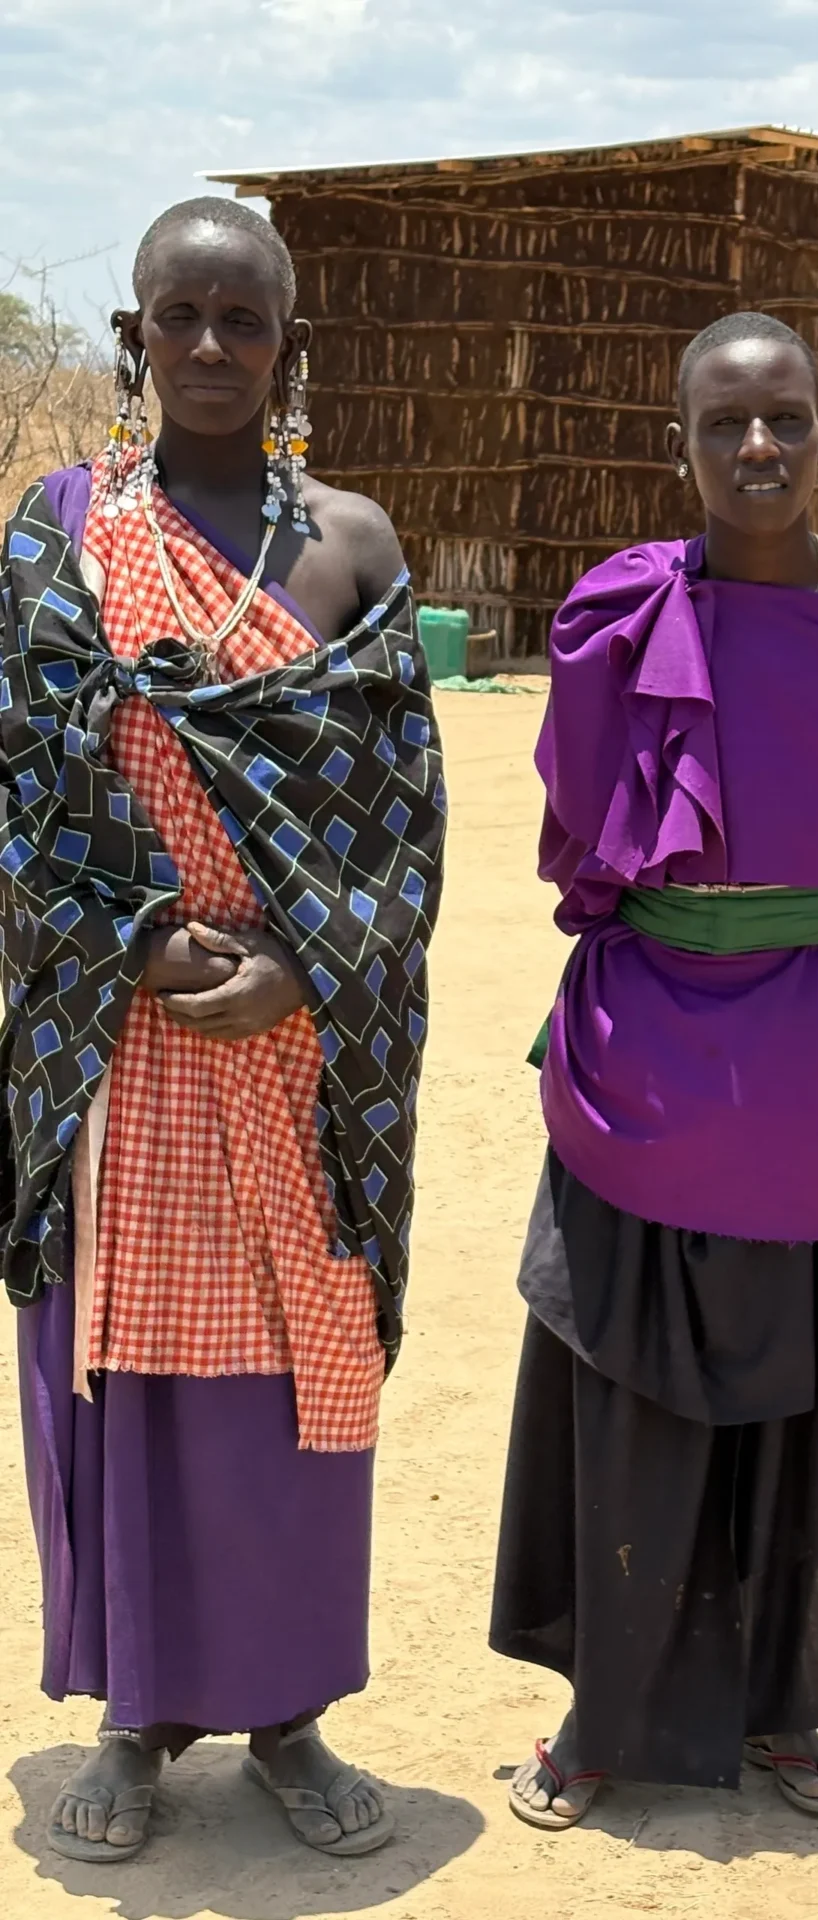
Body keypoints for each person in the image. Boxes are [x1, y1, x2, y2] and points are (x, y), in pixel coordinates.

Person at [0, 198, 445, 1862]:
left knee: (286, 1393)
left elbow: (403, 829)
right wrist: (135, 940)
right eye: (175, 316)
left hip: (293, 1052)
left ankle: (291, 1714)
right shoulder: (57, 532)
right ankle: (130, 1714)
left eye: (238, 319)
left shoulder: (352, 545)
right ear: (132, 339)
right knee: (121, 1383)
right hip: (114, 1047)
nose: (205, 346)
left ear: (285, 344)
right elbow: (20, 781)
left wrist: (305, 970)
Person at [489, 311, 818, 1830]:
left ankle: (783, 1707)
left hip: (812, 1061)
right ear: (680, 442)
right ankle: (601, 1719)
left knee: (805, 1398)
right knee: (628, 1387)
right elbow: (590, 839)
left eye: (788, 420)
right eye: (727, 423)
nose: (760, 448)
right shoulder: (616, 612)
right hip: (645, 1051)